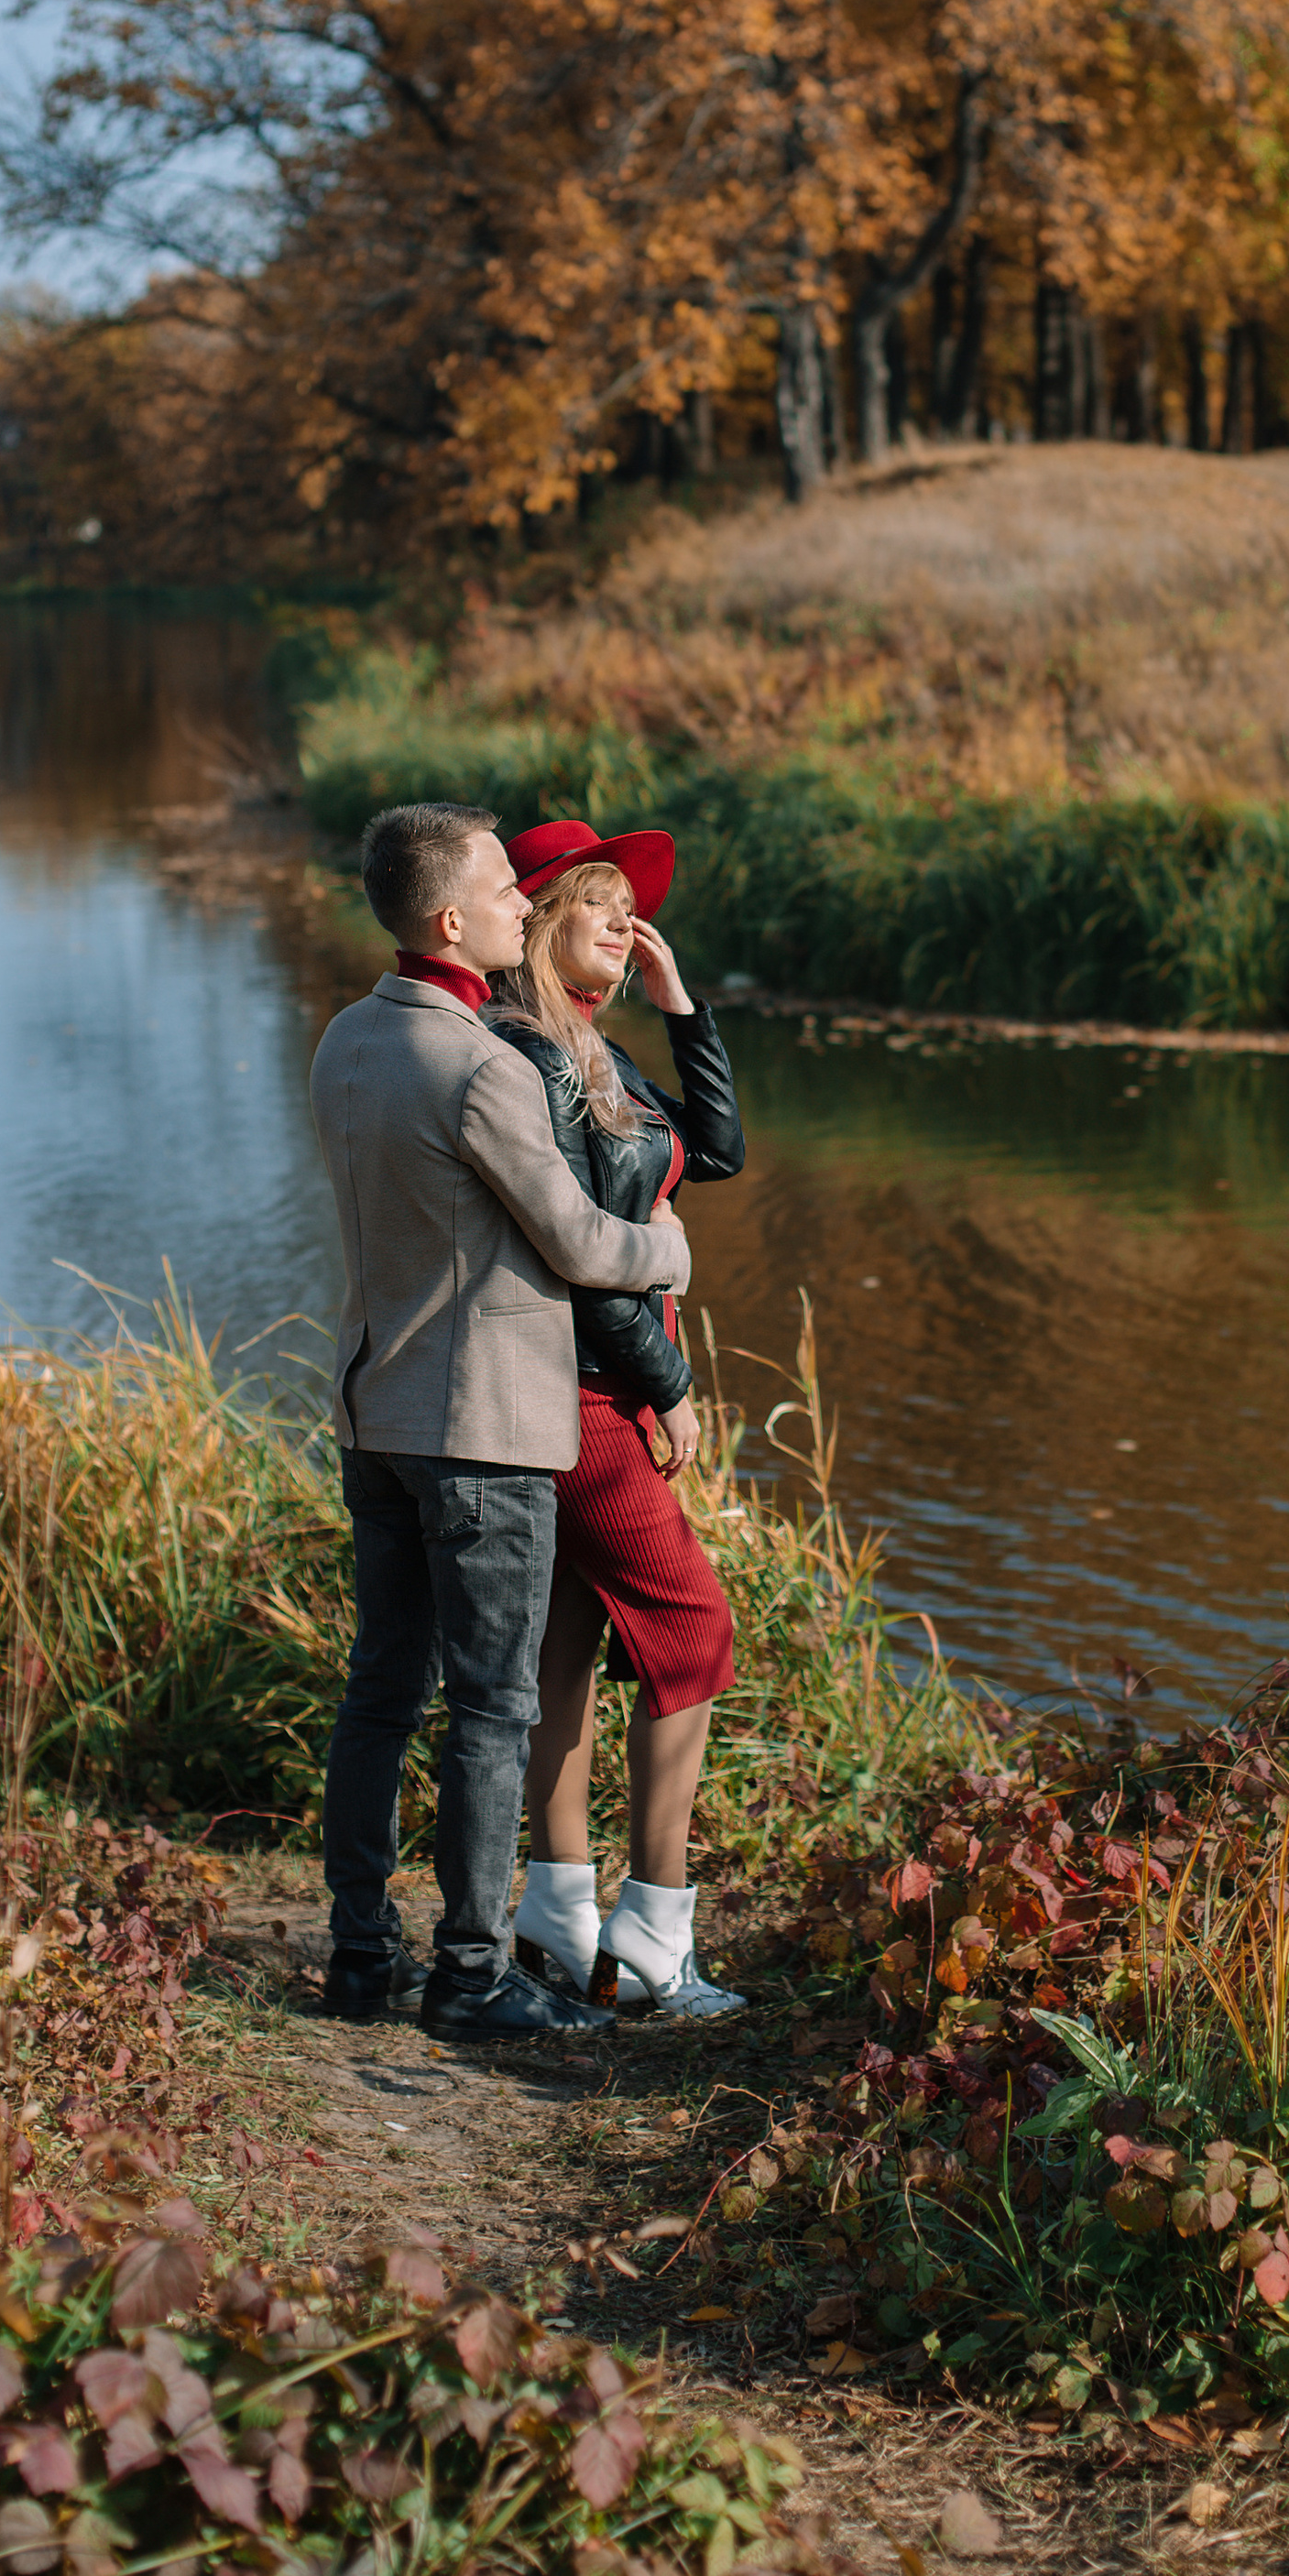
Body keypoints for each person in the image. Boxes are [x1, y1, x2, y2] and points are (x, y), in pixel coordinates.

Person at [308, 800, 692, 2042]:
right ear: (452, 917)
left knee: (379, 1694)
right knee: (490, 1707)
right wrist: (666, 1252)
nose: (527, 904)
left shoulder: (345, 1041)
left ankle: (360, 1959)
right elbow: (580, 1243)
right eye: (505, 888)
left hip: (378, 1416)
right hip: (482, 1428)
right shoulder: (477, 1063)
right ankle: (470, 1977)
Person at [488, 819, 748, 2020]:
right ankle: (654, 1935)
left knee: (571, 1643)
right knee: (692, 1633)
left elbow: (724, 1154)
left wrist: (680, 1001)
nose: (622, 921)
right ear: (538, 923)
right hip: (593, 1396)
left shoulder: (594, 1050)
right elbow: (592, 1271)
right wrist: (668, 1389)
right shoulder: (534, 1059)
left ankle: (557, 1910)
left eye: (626, 906)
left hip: (598, 1391)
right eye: (596, 904)